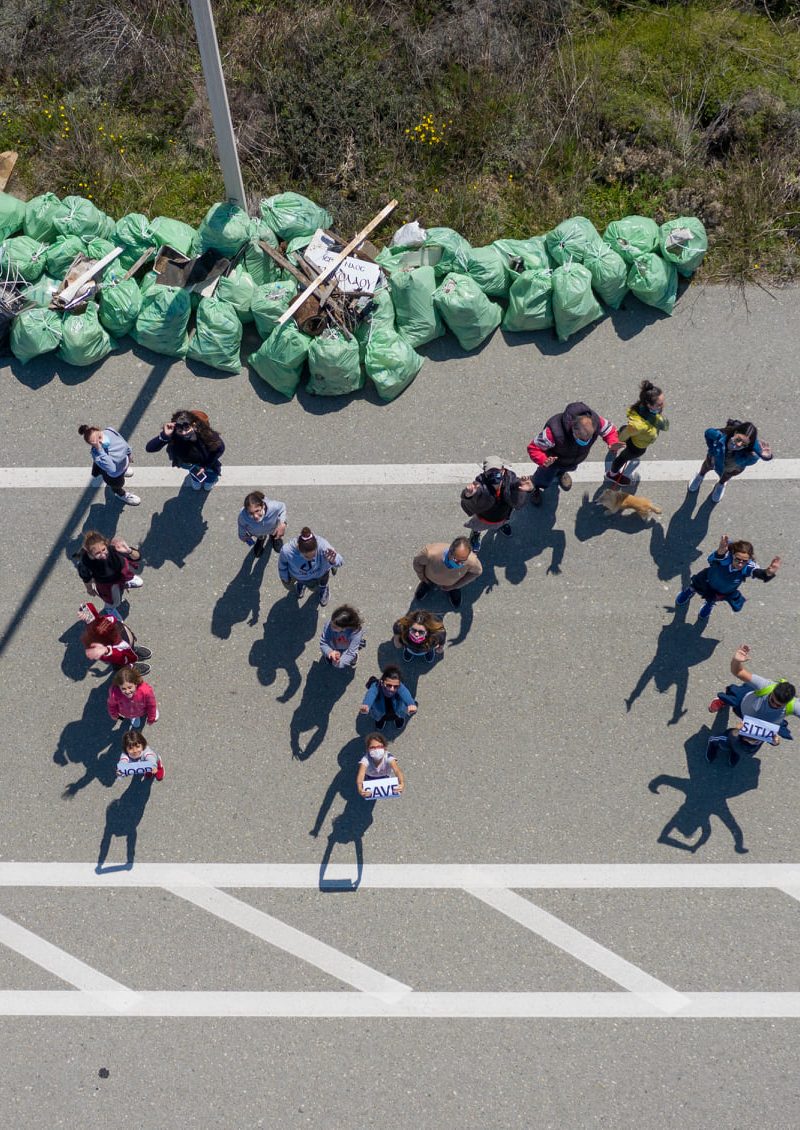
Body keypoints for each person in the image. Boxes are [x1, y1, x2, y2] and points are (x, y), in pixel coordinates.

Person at [706, 643, 798, 766]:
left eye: (779, 705)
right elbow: (738, 671)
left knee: (749, 744)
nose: (774, 705)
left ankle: (736, 750)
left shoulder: (794, 705)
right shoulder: (765, 686)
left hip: (762, 725)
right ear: (772, 692)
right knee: (730, 729)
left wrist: (774, 740)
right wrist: (736, 661)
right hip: (744, 707)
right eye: (772, 700)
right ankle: (721, 702)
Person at [527, 400, 624, 505]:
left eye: (589, 438)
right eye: (581, 439)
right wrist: (543, 460)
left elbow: (609, 430)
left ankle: (561, 474)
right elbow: (533, 448)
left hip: (572, 460)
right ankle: (535, 487)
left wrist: (612, 441)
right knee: (543, 477)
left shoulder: (596, 421)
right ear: (573, 429)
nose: (586, 442)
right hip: (551, 462)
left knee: (566, 468)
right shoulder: (553, 433)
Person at [676, 534, 781, 620]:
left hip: (724, 589)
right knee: (695, 586)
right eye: (737, 559)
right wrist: (720, 551)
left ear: (749, 559)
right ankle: (689, 591)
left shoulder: (749, 566)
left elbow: (758, 573)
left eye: (744, 561)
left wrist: (768, 572)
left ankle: (709, 603)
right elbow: (711, 560)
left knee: (713, 598)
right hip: (706, 579)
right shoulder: (725, 557)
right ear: (732, 555)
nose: (740, 564)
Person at [688, 419, 772, 503]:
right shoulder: (720, 435)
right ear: (735, 433)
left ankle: (721, 484)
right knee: (706, 467)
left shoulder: (752, 450)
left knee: (726, 476)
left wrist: (764, 456)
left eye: (744, 444)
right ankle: (700, 476)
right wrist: (712, 450)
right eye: (738, 439)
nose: (739, 445)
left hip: (733, 468)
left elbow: (752, 461)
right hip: (714, 459)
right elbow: (708, 433)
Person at [460, 456, 533, 549]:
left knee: (502, 522)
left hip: (503, 515)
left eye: (497, 471)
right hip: (484, 517)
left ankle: (501, 526)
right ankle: (475, 534)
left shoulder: (511, 479)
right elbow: (472, 499)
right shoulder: (480, 484)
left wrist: (528, 489)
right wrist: (468, 495)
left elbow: (518, 496)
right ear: (485, 472)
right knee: (478, 527)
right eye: (490, 472)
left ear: (503, 470)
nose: (494, 474)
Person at [145, 409, 225, 492]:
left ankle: (209, 482)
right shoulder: (173, 434)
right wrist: (164, 435)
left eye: (186, 429)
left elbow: (219, 448)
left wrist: (205, 465)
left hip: (207, 463)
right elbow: (150, 448)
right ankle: (196, 480)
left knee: (212, 474)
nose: (184, 433)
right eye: (180, 430)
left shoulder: (204, 433)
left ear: (193, 425)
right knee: (194, 474)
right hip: (186, 463)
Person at [607, 381, 669, 479]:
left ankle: (616, 447)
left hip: (634, 434)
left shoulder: (642, 407)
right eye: (659, 404)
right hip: (637, 446)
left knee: (625, 431)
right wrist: (616, 442)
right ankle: (612, 474)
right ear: (649, 405)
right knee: (622, 458)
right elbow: (625, 434)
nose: (663, 406)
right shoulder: (638, 425)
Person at [75, 531, 143, 614]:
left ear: (106, 544)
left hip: (122, 574)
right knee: (115, 602)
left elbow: (137, 557)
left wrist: (129, 550)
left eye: (103, 549)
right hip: (107, 584)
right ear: (90, 553)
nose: (103, 555)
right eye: (97, 553)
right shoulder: (85, 563)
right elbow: (86, 579)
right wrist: (89, 589)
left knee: (140, 583)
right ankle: (109, 609)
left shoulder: (114, 548)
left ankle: (123, 585)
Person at [79, 602, 152, 675]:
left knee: (126, 641)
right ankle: (128, 668)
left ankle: (132, 649)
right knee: (121, 663)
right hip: (117, 651)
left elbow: (116, 622)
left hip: (121, 639)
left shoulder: (106, 620)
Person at [278, 527, 343, 608]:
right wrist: (284, 577)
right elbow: (282, 565)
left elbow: (340, 561)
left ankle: (323, 588)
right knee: (301, 580)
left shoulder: (322, 545)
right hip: (300, 576)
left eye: (314, 554)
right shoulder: (287, 551)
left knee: (324, 579)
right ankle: (301, 584)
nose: (312, 559)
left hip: (320, 573)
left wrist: (333, 561)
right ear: (299, 549)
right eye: (307, 556)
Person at [412, 536, 482, 609]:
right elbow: (417, 563)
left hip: (453, 583)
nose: (458, 563)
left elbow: (477, 572)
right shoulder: (429, 553)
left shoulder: (471, 561)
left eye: (462, 561)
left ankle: (453, 590)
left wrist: (456, 585)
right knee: (427, 583)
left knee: (454, 588)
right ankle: (426, 584)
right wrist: (422, 577)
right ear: (450, 551)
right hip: (429, 578)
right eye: (455, 559)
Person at [78, 423, 139, 506]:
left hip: (123, 463)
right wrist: (99, 449)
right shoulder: (98, 455)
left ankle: (124, 471)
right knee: (118, 485)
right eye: (95, 443)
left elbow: (122, 441)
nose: (100, 442)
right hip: (114, 475)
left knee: (124, 469)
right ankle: (121, 494)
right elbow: (112, 469)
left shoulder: (109, 431)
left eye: (99, 437)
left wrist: (128, 454)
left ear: (100, 431)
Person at [360, 666, 417, 731]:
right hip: (379, 711)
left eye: (395, 686)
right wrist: (366, 704)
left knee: (399, 715)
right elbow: (370, 694)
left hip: (397, 710)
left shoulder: (399, 686)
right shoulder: (376, 686)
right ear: (382, 683)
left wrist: (411, 703)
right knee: (379, 717)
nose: (392, 689)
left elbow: (405, 694)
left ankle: (399, 718)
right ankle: (380, 720)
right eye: (389, 685)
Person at [107, 665, 159, 730]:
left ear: (136, 683)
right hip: (128, 713)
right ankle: (134, 717)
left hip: (143, 709)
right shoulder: (114, 693)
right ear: (118, 686)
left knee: (151, 710)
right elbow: (111, 705)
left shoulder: (145, 691)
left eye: (130, 687)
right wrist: (114, 714)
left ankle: (151, 713)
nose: (127, 691)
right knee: (133, 718)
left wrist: (151, 717)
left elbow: (151, 704)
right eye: (123, 689)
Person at [237, 490, 287, 557]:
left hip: (272, 529)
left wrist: (283, 523)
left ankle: (274, 537)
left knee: (274, 533)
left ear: (263, 505)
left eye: (257, 510)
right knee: (260, 536)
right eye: (251, 513)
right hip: (257, 533)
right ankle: (261, 539)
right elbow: (241, 525)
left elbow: (282, 507)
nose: (255, 516)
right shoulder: (243, 515)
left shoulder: (273, 506)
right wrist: (242, 535)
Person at [356, 732, 405, 798]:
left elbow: (397, 770)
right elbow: (361, 774)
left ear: (385, 748)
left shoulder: (388, 757)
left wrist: (401, 782)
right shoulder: (365, 759)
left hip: (385, 776)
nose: (376, 749)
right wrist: (360, 787)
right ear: (368, 749)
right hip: (370, 777)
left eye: (379, 746)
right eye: (372, 747)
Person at [319, 605, 365, 669]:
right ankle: (332, 655)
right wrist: (330, 652)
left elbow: (351, 652)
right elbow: (323, 642)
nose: (331, 627)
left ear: (345, 628)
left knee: (351, 655)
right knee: (331, 654)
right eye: (331, 623)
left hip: (347, 646)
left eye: (335, 627)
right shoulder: (330, 624)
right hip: (335, 644)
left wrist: (340, 663)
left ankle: (353, 658)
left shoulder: (355, 633)